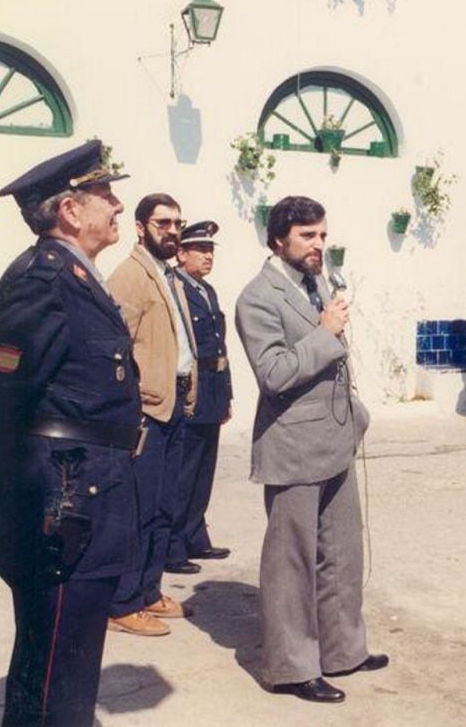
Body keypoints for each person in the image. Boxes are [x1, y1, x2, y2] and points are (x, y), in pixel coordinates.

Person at [0, 140, 141, 726]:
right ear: (71, 211)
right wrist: (22, 507)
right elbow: (3, 398)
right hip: (62, 504)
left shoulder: (79, 275)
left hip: (84, 496)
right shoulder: (44, 279)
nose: (118, 205)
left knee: (61, 662)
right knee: (58, 665)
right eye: (106, 194)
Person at [235, 195, 384, 704]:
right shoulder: (257, 297)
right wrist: (325, 333)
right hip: (293, 444)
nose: (319, 245)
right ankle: (293, 667)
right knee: (292, 560)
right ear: (279, 239)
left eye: (322, 234)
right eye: (307, 236)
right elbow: (274, 373)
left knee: (342, 551)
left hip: (335, 437)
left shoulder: (315, 282)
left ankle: (344, 650)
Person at [106, 193, 197, 636]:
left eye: (178, 222)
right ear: (141, 227)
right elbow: (114, 349)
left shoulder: (170, 275)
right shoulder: (130, 276)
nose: (174, 230)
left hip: (175, 403)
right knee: (138, 509)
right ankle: (122, 602)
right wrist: (131, 406)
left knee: (165, 505)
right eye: (164, 223)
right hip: (146, 409)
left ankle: (148, 590)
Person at [169, 221, 232, 568]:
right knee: (184, 471)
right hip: (192, 388)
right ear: (181, 253)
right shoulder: (176, 288)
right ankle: (173, 545)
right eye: (200, 250)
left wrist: (228, 393)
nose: (208, 256)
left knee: (204, 468)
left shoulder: (207, 291)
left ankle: (196, 536)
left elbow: (220, 346)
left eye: (210, 251)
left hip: (213, 387)